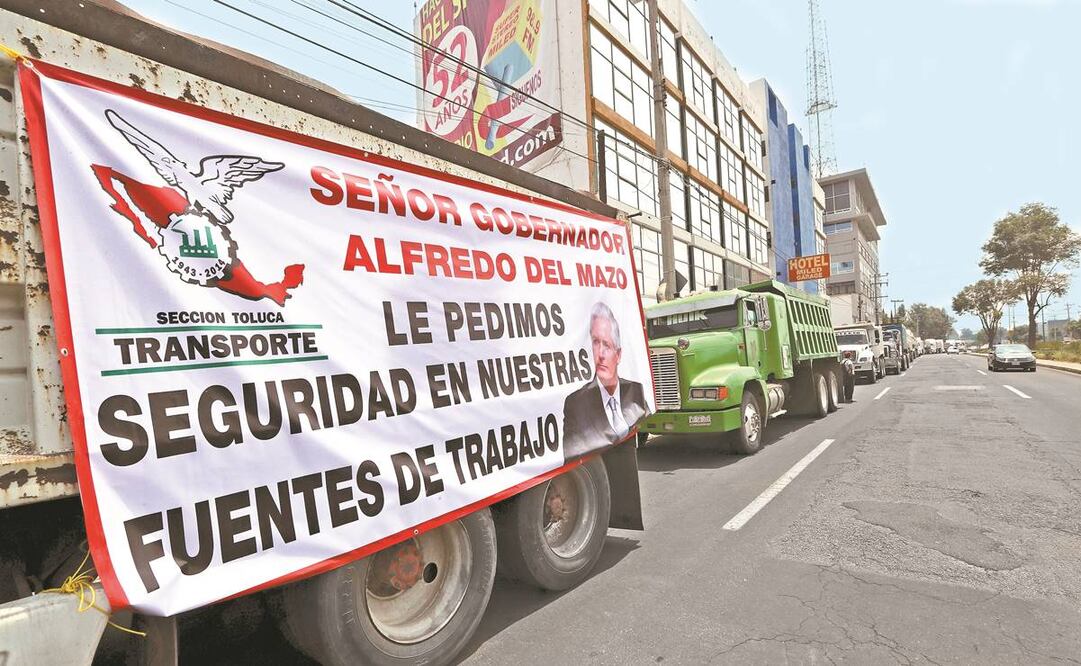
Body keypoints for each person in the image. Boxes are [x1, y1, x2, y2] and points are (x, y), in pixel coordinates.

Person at [562, 302, 648, 459]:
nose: (600, 353)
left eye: (607, 345)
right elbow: (571, 456)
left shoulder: (635, 391)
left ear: (619, 354)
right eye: (595, 342)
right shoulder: (575, 404)